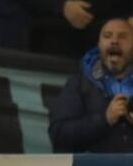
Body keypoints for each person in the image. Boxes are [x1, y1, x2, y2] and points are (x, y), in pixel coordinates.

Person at [49, 17, 133, 152]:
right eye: (107, 36)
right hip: (95, 165)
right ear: (99, 45)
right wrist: (105, 120)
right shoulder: (80, 83)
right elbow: (58, 133)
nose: (114, 41)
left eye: (122, 36)